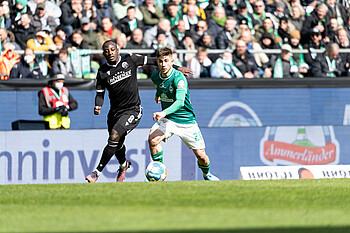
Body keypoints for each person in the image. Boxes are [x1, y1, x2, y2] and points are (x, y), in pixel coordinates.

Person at [85, 40, 192, 183]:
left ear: (118, 50)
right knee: (117, 142)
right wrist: (98, 105)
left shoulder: (130, 59)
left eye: (112, 50)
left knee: (114, 135)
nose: (109, 53)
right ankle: (124, 165)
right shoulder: (102, 71)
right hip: (114, 112)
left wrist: (177, 67)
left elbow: (155, 60)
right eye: (106, 51)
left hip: (133, 110)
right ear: (103, 53)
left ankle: (96, 172)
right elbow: (100, 93)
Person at [148, 46, 219, 181]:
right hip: (168, 119)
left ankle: (207, 174)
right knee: (153, 140)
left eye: (166, 61)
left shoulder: (179, 78)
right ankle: (160, 171)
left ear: (172, 61)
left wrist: (163, 112)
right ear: (157, 62)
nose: (163, 64)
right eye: (160, 61)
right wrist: (158, 95)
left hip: (186, 121)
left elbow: (180, 102)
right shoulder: (155, 77)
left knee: (201, 156)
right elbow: (160, 87)